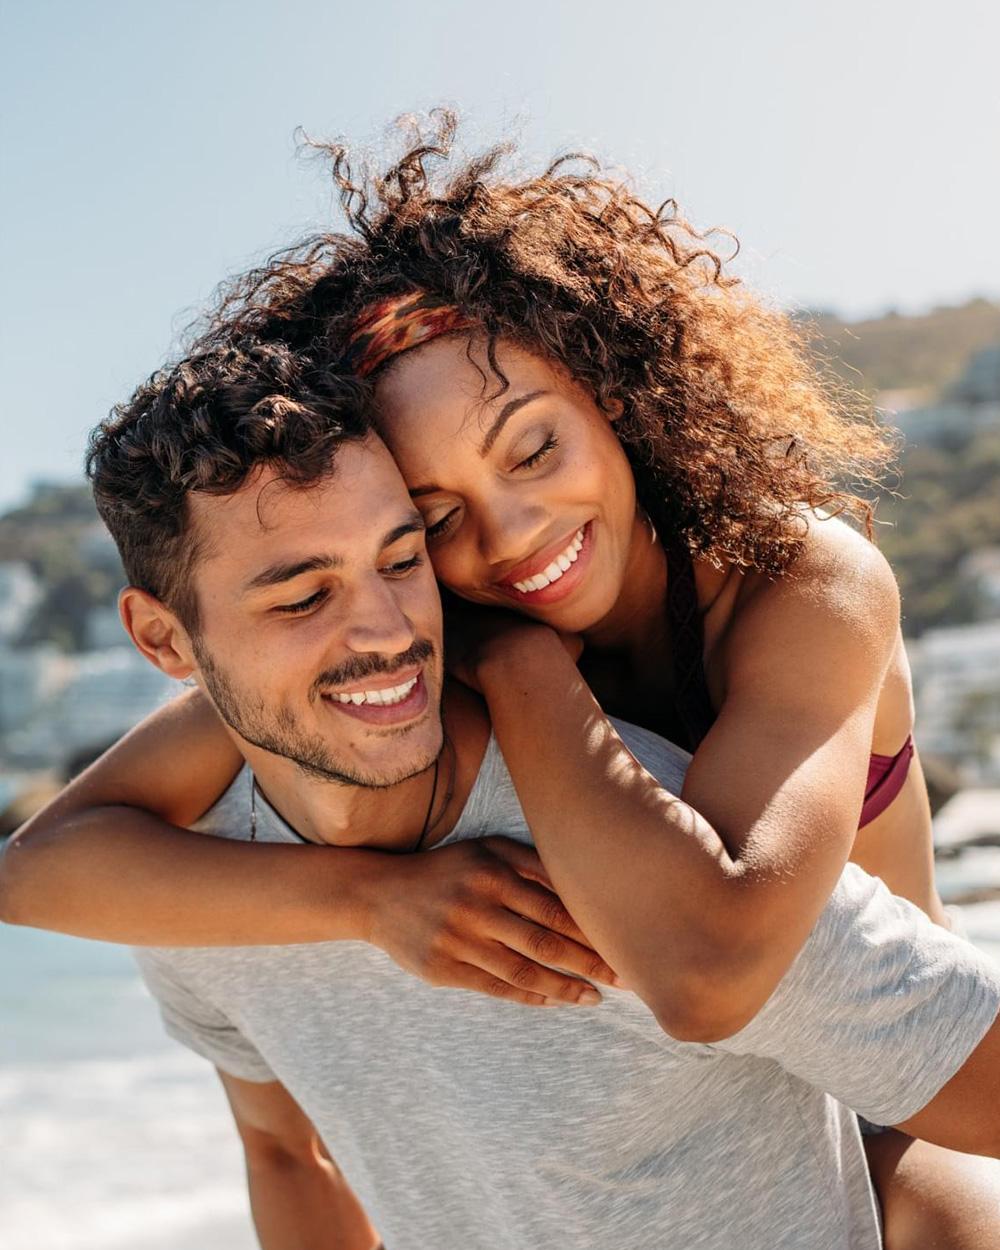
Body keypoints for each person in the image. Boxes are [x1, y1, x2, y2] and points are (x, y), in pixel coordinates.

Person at [3, 117, 999, 1242]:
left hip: (888, 1094)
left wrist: (516, 660)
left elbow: (710, 968)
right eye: (432, 516)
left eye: (532, 449)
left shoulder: (794, 576)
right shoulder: (400, 626)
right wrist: (370, 903)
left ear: (610, 395)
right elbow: (38, 871)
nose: (515, 532)